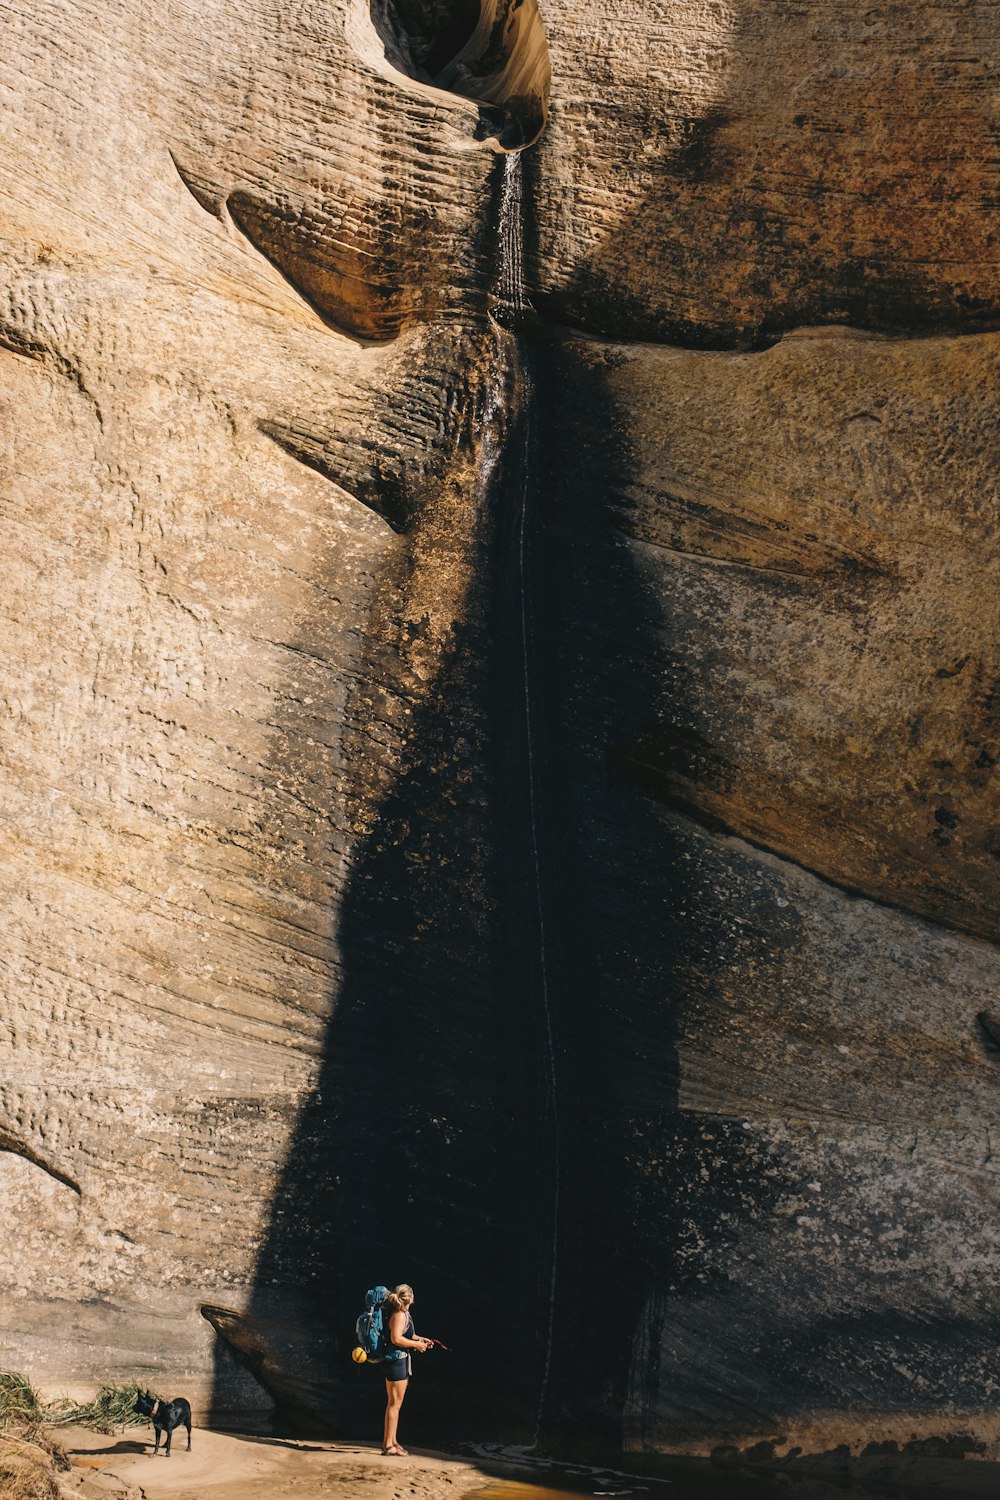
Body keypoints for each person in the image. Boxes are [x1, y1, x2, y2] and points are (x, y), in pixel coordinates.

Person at [381, 1283, 431, 1456]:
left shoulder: (404, 1314)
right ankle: (388, 1445)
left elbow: (406, 1335)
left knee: (395, 1404)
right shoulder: (399, 1315)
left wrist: (420, 1340)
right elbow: (395, 1338)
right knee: (394, 1405)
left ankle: (392, 1441)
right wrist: (416, 1345)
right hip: (396, 1362)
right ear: (409, 1298)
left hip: (400, 1361)